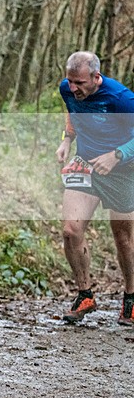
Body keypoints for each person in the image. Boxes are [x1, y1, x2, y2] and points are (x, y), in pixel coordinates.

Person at [56, 51, 134, 326]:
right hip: (85, 164)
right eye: (70, 81)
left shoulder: (122, 99)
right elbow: (72, 112)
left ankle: (130, 298)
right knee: (70, 230)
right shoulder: (68, 89)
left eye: (79, 82)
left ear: (96, 77)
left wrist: (118, 155)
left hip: (123, 170)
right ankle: (85, 294)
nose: (73, 87)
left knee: (123, 239)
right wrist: (67, 140)